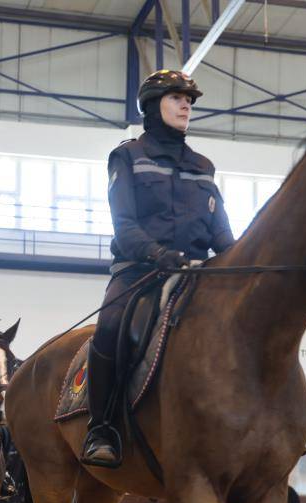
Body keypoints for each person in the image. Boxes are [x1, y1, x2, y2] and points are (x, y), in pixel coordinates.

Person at [81, 70, 235, 468]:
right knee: (111, 327)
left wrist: (245, 264)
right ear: (152, 104)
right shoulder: (128, 155)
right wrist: (158, 254)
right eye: (177, 97)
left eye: (190, 100)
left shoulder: (204, 165)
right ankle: (102, 427)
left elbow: (222, 235)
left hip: (196, 276)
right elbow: (124, 224)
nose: (187, 105)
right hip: (139, 271)